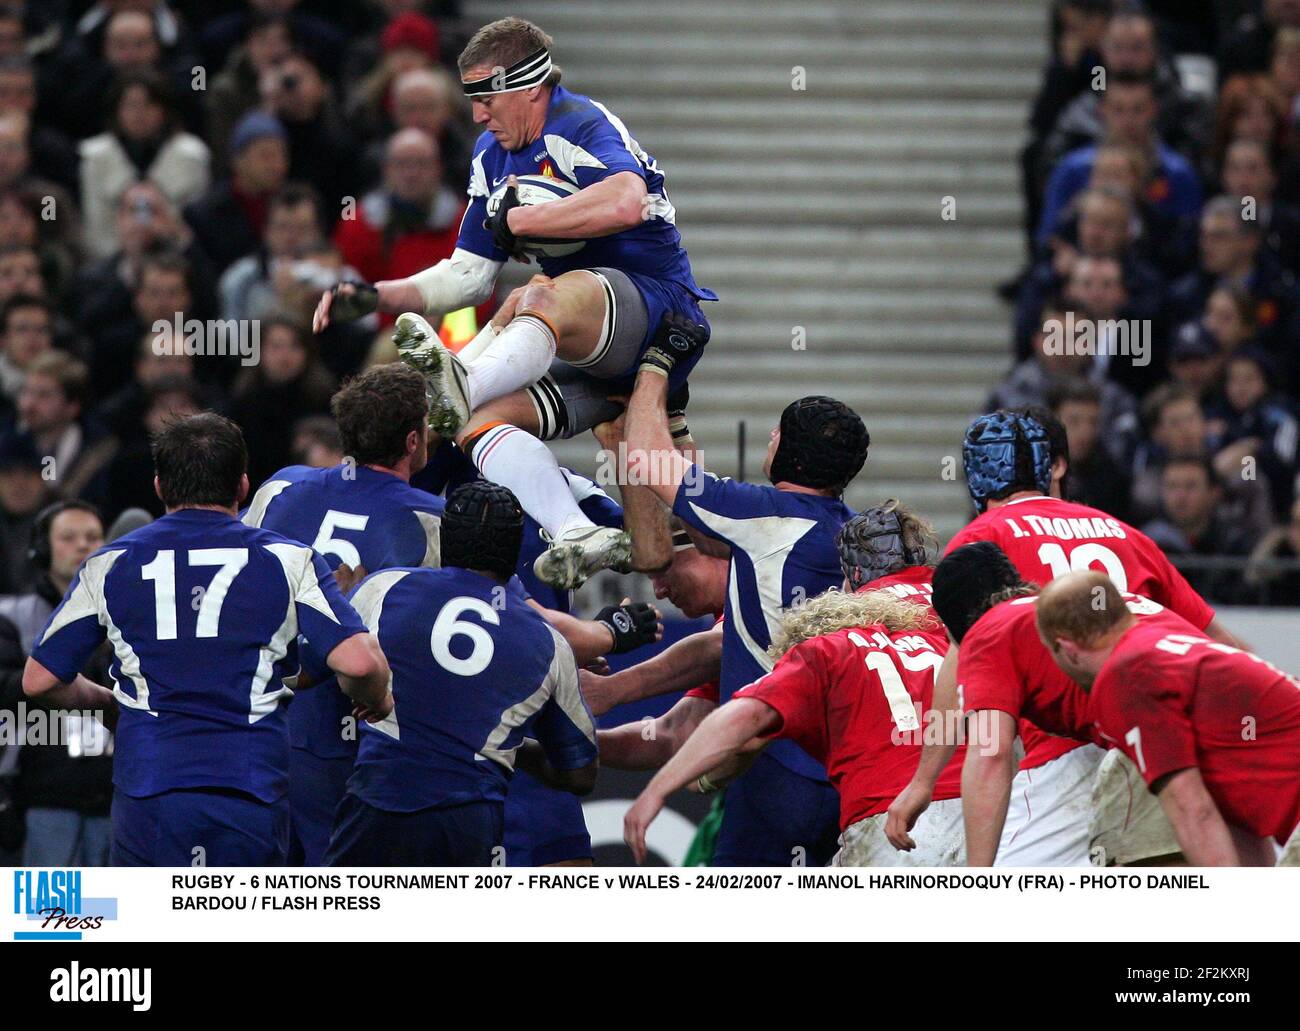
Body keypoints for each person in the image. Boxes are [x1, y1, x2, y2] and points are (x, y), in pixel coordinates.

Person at [314, 16, 717, 587]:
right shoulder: (490, 154)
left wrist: (525, 218)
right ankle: (577, 531)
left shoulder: (580, 122)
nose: (477, 113)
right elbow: (469, 275)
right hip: (588, 347)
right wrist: (375, 295)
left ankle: (466, 380)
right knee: (654, 553)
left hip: (656, 311)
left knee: (536, 294)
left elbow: (626, 201)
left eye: (485, 96)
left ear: (530, 87)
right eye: (470, 98)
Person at [23, 412, 391, 866]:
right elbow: (359, 663)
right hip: (249, 787)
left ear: (159, 486)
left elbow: (39, 679)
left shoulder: (111, 562)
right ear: (242, 486)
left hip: (149, 788)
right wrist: (377, 699)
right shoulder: (290, 559)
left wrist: (107, 703)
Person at [886, 409, 1244, 866]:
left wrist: (923, 781)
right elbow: (1222, 644)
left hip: (1065, 753)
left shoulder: (982, 541)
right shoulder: (1125, 532)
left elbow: (962, 662)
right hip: (1168, 739)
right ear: (1051, 465)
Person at [618, 339, 869, 865]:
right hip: (842, 767)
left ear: (781, 447)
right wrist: (678, 424)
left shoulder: (768, 516)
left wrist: (654, 367)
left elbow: (643, 456)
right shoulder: (848, 530)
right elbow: (709, 535)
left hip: (775, 762)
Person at [323, 482, 599, 866]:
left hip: (379, 798)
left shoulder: (383, 588)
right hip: (467, 819)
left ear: (444, 537)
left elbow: (326, 659)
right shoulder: (550, 644)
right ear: (514, 551)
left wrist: (339, 602)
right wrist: (509, 750)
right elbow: (581, 774)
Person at [624, 586, 961, 868]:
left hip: (892, 823)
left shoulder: (821, 652)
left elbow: (744, 719)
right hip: (989, 811)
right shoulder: (943, 643)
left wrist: (657, 790)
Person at [1037, 570, 1300, 865]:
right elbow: (1235, 820)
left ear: (1067, 649)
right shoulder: (1161, 647)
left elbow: (1191, 809)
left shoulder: (1127, 675)